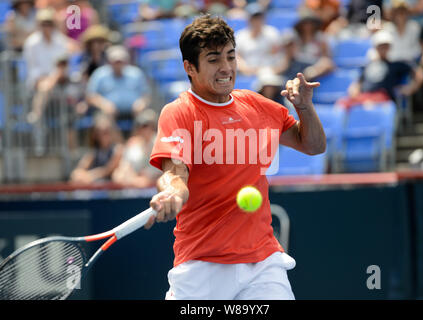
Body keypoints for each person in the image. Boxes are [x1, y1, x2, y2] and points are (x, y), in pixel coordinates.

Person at [144, 15, 326, 300]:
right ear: (189, 68)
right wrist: (172, 193)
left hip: (263, 262)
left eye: (231, 56)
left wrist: (304, 108)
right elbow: (175, 173)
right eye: (214, 59)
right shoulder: (178, 112)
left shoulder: (256, 106)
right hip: (202, 263)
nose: (226, 68)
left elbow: (313, 146)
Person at [340, 30, 423, 109]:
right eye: (380, 46)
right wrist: (355, 91)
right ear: (376, 47)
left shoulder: (396, 65)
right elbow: (357, 84)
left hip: (383, 98)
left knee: (370, 105)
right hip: (365, 97)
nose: (383, 49)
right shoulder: (367, 65)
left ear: (389, 47)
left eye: (385, 46)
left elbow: (419, 73)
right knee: (342, 104)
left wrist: (411, 88)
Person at [85, 45, 151, 121]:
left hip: (135, 112)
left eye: (120, 62)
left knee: (148, 119)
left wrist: (141, 103)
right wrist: (103, 104)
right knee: (102, 123)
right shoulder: (100, 74)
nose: (118, 65)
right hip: (108, 113)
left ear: (126, 62)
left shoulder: (136, 73)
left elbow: (146, 95)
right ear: (109, 62)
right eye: (115, 62)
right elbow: (90, 96)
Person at [279, 8, 335, 81]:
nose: (308, 26)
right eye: (305, 23)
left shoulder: (321, 38)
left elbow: (326, 60)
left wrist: (313, 71)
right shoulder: (293, 37)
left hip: (314, 67)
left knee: (326, 63)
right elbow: (287, 59)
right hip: (296, 67)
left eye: (311, 23)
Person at [112, 109, 161, 188]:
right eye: (141, 126)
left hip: (156, 189)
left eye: (147, 125)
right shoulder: (133, 145)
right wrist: (135, 180)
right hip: (135, 189)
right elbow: (121, 172)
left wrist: (147, 180)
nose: (145, 129)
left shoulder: (162, 143)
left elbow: (167, 172)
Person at [70, 114, 123, 184]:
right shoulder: (94, 152)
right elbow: (79, 169)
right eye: (100, 132)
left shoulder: (117, 149)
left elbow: (108, 170)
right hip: (96, 186)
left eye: (106, 132)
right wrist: (79, 174)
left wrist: (90, 176)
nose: (104, 135)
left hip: (112, 187)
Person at [235, 3, 284, 76]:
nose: (257, 21)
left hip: (268, 73)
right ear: (248, 20)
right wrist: (246, 69)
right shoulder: (240, 36)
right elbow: (236, 57)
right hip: (246, 74)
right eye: (254, 18)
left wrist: (273, 70)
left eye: (259, 18)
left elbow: (279, 55)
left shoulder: (272, 33)